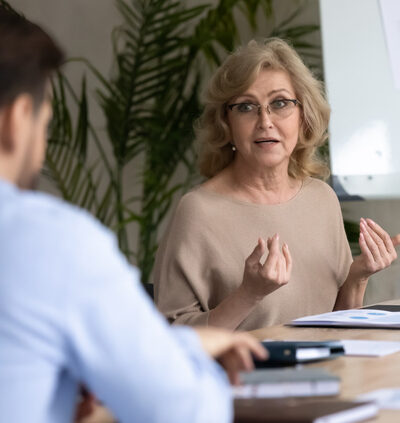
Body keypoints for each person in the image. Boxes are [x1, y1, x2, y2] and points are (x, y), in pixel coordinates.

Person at [0, 9, 267, 423]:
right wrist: (189, 365)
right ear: (17, 120)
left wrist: (174, 350)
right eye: (47, 122)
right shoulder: (51, 242)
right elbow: (184, 412)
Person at [153, 38, 400, 331]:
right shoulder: (199, 210)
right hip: (241, 375)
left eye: (279, 103)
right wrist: (248, 294)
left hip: (327, 372)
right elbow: (173, 338)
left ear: (304, 116)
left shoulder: (321, 199)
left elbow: (337, 327)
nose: (265, 121)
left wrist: (359, 276)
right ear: (226, 124)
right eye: (246, 107)